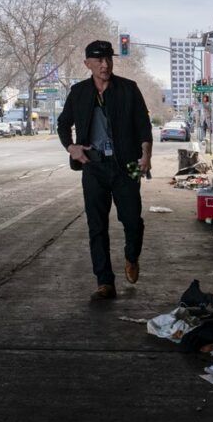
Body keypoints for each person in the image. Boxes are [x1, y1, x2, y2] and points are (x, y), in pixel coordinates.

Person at [57, 40, 153, 300]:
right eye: (98, 60)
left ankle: (132, 257)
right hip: (93, 166)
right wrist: (72, 148)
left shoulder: (129, 89)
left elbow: (144, 125)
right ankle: (104, 282)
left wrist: (146, 154)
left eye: (108, 59)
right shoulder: (78, 93)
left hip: (129, 165)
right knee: (96, 225)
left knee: (133, 219)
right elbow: (63, 124)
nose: (105, 64)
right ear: (87, 63)